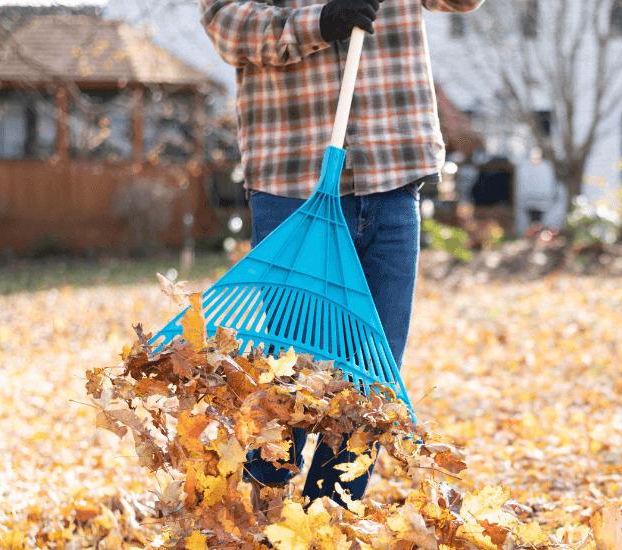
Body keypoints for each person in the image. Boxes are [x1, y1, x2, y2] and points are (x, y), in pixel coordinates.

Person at [198, 0, 485, 505]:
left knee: (368, 389)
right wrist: (319, 21)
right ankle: (258, 522)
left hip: (393, 175)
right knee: (289, 379)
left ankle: (327, 523)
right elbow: (226, 26)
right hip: (294, 184)